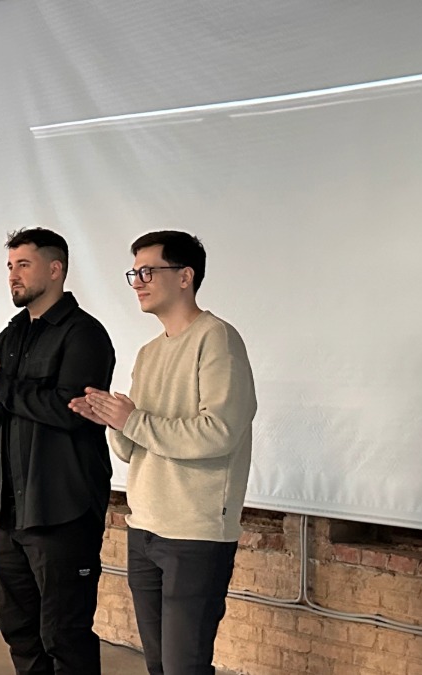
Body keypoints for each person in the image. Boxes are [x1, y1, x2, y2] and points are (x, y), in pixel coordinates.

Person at [71, 230, 257, 675]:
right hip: (144, 527)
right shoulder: (149, 352)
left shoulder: (217, 338)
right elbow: (134, 449)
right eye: (134, 272)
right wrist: (112, 421)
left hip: (195, 532)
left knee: (183, 667)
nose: (138, 281)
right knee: (158, 665)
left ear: (185, 277)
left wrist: (132, 421)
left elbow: (219, 433)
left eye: (149, 271)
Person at [0, 228, 115, 675]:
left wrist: (1, 386)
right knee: (17, 628)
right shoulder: (11, 336)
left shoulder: (85, 335)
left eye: (23, 265)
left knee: (64, 634)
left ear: (55, 269)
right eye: (10, 266)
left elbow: (71, 411)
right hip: (9, 513)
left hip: (62, 511)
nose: (13, 276)